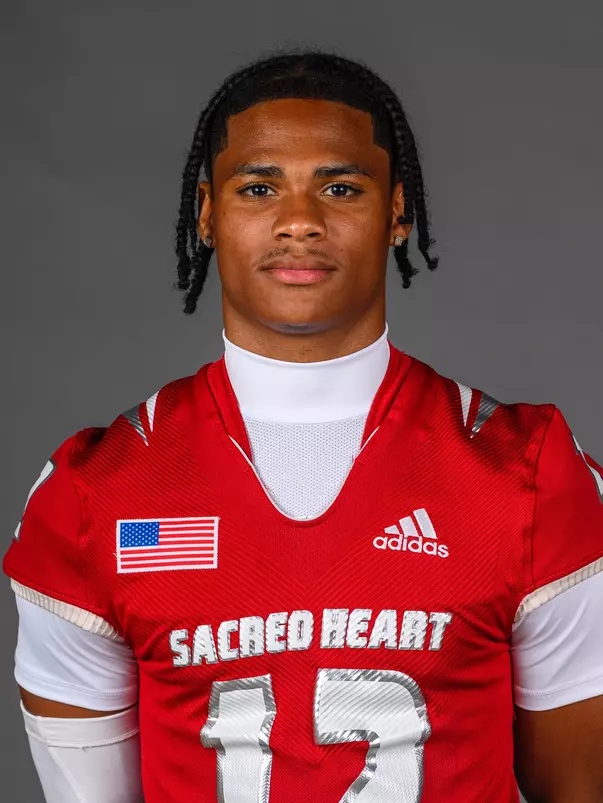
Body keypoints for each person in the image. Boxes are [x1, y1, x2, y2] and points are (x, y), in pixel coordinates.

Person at [4, 48, 603, 803]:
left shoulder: (525, 470)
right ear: (207, 213)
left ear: (395, 213)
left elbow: (579, 787)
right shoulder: (94, 494)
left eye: (340, 187)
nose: (298, 221)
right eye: (259, 187)